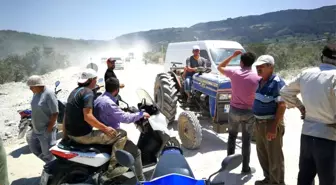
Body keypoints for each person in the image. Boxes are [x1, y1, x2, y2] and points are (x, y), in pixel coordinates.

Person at [280, 44, 336, 185]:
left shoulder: (307, 73)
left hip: (307, 134)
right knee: (329, 179)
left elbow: (285, 92)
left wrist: (301, 107)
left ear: (322, 57)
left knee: (305, 177)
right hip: (329, 137)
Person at [63, 68, 128, 183]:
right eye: (96, 80)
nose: (97, 82)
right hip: (83, 136)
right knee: (121, 134)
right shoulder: (88, 93)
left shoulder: (74, 92)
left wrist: (65, 136)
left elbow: (65, 116)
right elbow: (87, 116)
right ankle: (112, 169)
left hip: (71, 134)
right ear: (92, 80)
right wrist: (105, 128)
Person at [94, 77, 150, 181]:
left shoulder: (99, 99)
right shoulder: (109, 103)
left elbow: (113, 112)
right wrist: (141, 114)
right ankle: (141, 180)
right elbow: (125, 118)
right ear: (116, 90)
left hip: (100, 133)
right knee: (136, 152)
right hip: (112, 135)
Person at [217, 50, 259, 174]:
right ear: (252, 63)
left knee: (232, 137)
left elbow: (220, 67)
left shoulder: (234, 73)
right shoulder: (258, 78)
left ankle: (228, 166)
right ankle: (245, 168)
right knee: (246, 140)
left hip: (234, 110)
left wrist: (232, 56)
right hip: (249, 112)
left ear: (241, 62)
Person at [252, 55, 286, 185]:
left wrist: (273, 126)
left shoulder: (277, 82)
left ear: (271, 67)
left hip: (270, 123)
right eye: (257, 66)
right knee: (262, 153)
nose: (259, 68)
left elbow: (282, 105)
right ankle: (268, 180)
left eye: (262, 66)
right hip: (259, 123)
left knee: (274, 156)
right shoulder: (260, 81)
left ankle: (277, 182)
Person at [26, 75, 58, 163]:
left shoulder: (49, 94)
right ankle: (49, 165)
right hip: (36, 129)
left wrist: (48, 130)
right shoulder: (36, 93)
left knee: (48, 153)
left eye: (31, 87)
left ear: (38, 86)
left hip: (45, 130)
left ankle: (54, 171)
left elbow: (55, 113)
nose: (30, 89)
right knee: (34, 148)